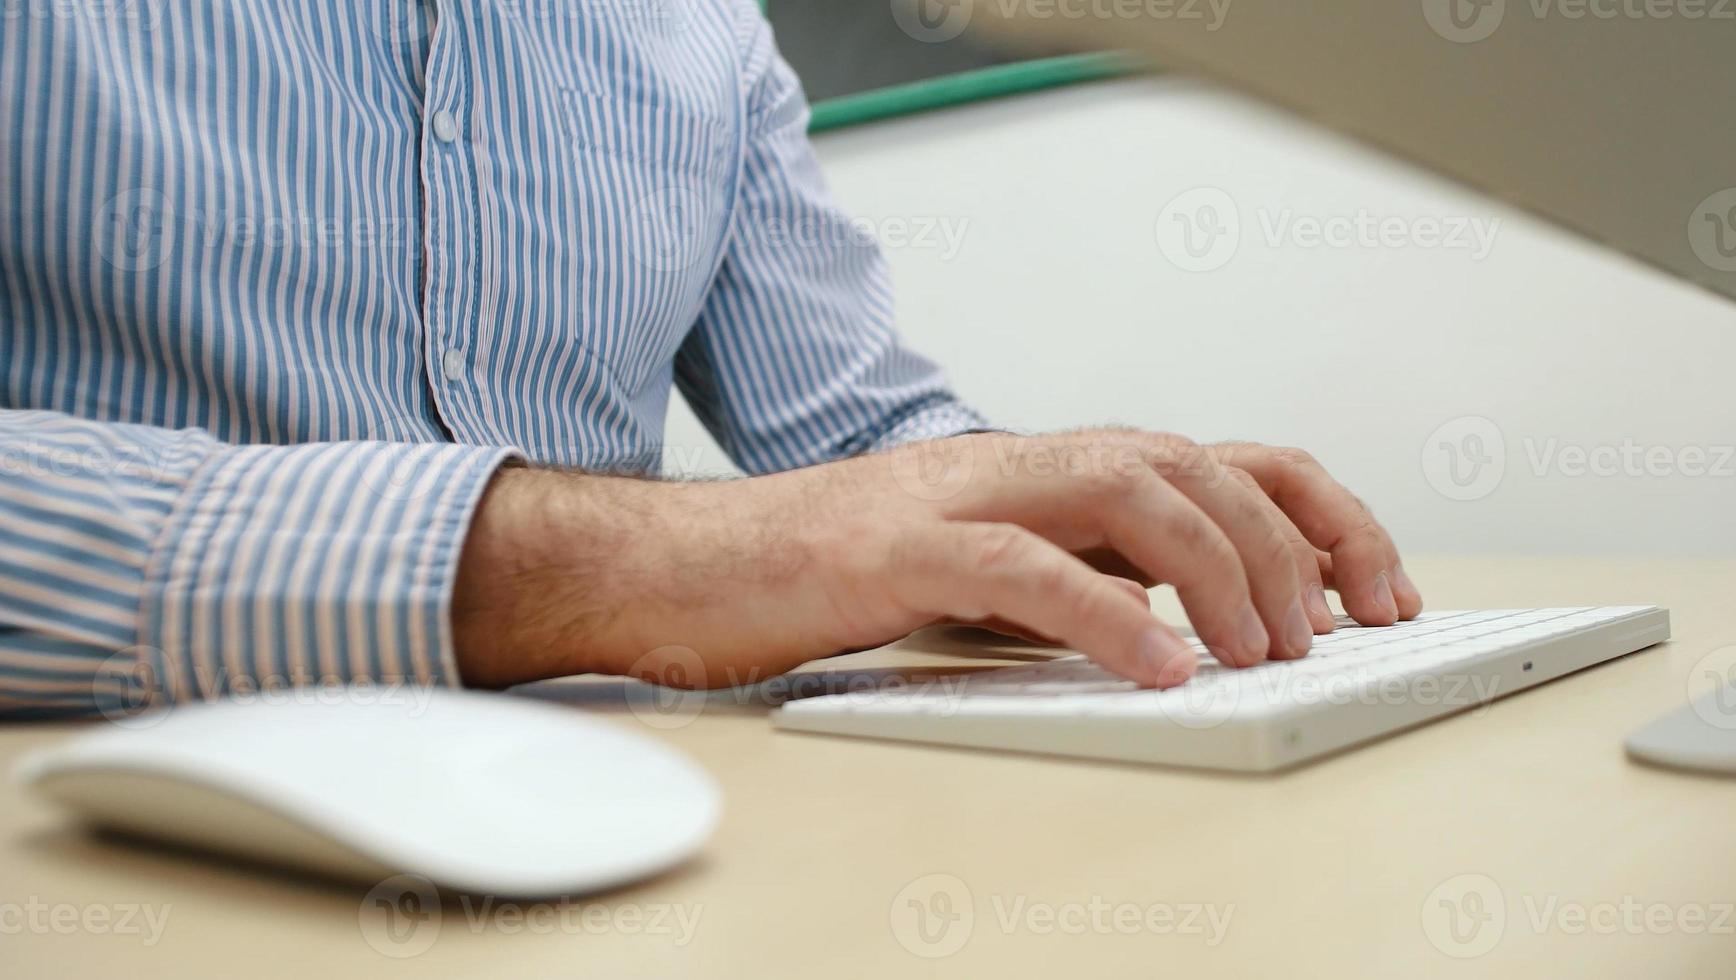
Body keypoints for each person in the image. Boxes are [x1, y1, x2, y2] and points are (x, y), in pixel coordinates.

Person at [0, 0, 1421, 716]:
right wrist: (618, 567)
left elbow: (859, 443)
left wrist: (1059, 512)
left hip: (629, 824)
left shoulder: (706, 30)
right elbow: (750, 541)